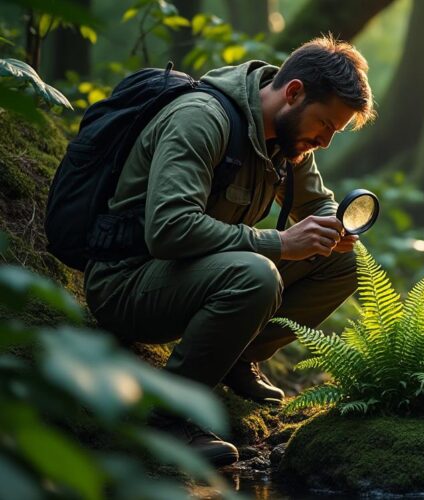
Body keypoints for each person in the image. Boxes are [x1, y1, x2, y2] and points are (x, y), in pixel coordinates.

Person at [83, 36, 375, 465]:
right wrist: (279, 243)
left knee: (343, 260)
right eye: (326, 126)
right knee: (256, 276)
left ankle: (236, 357)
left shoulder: (289, 140)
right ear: (294, 93)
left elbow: (318, 203)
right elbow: (169, 229)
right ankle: (168, 419)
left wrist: (336, 224)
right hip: (127, 282)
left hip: (192, 275)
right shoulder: (201, 119)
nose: (326, 141)